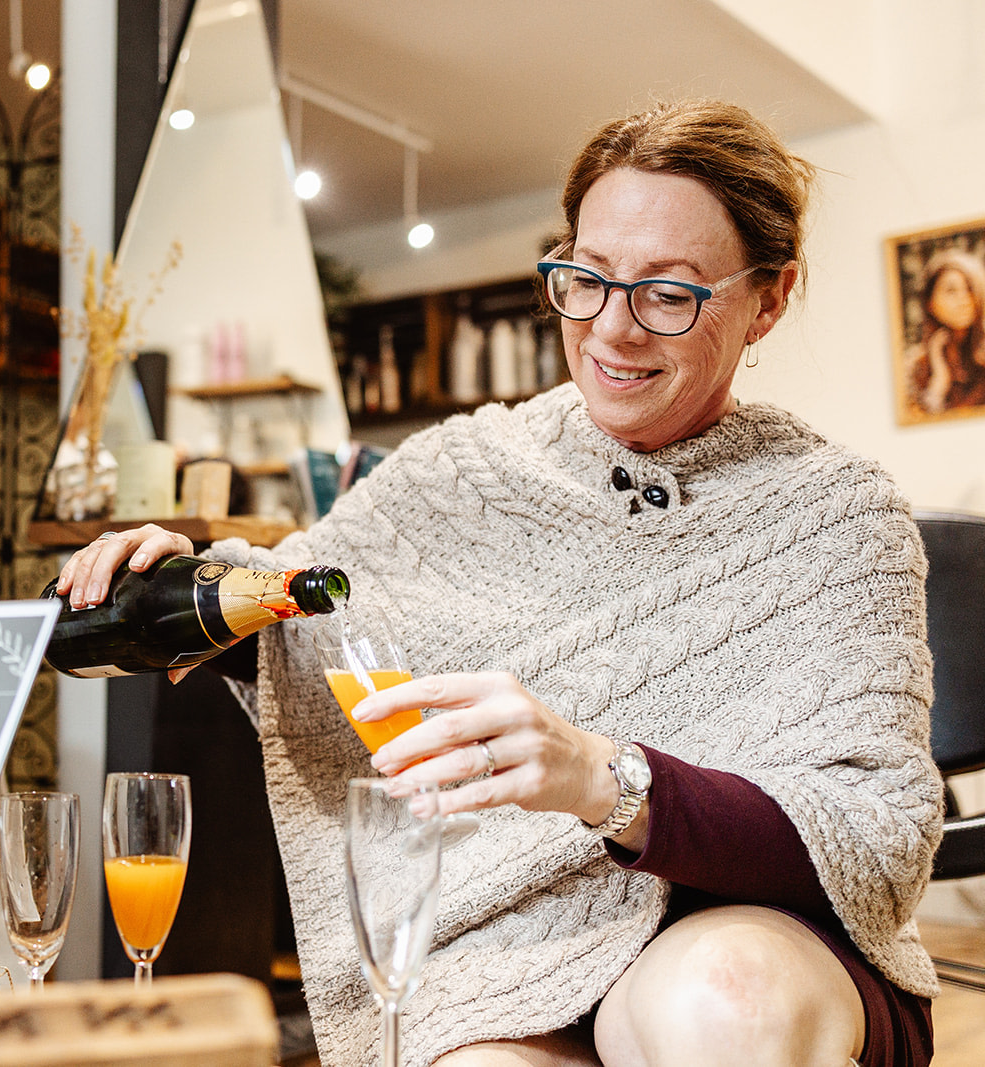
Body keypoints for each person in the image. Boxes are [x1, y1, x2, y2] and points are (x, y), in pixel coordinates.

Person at [58, 99, 941, 1067]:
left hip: (760, 936)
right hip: (509, 944)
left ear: (767, 298)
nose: (613, 328)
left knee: (720, 997)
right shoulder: (467, 467)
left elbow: (874, 838)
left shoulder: (837, 514)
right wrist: (201, 581)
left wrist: (604, 780)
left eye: (668, 294)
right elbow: (316, 607)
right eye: (586, 278)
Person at [905, 246, 985, 417]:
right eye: (951, 291)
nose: (964, 300)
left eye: (969, 289)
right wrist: (939, 380)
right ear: (930, 302)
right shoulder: (913, 367)